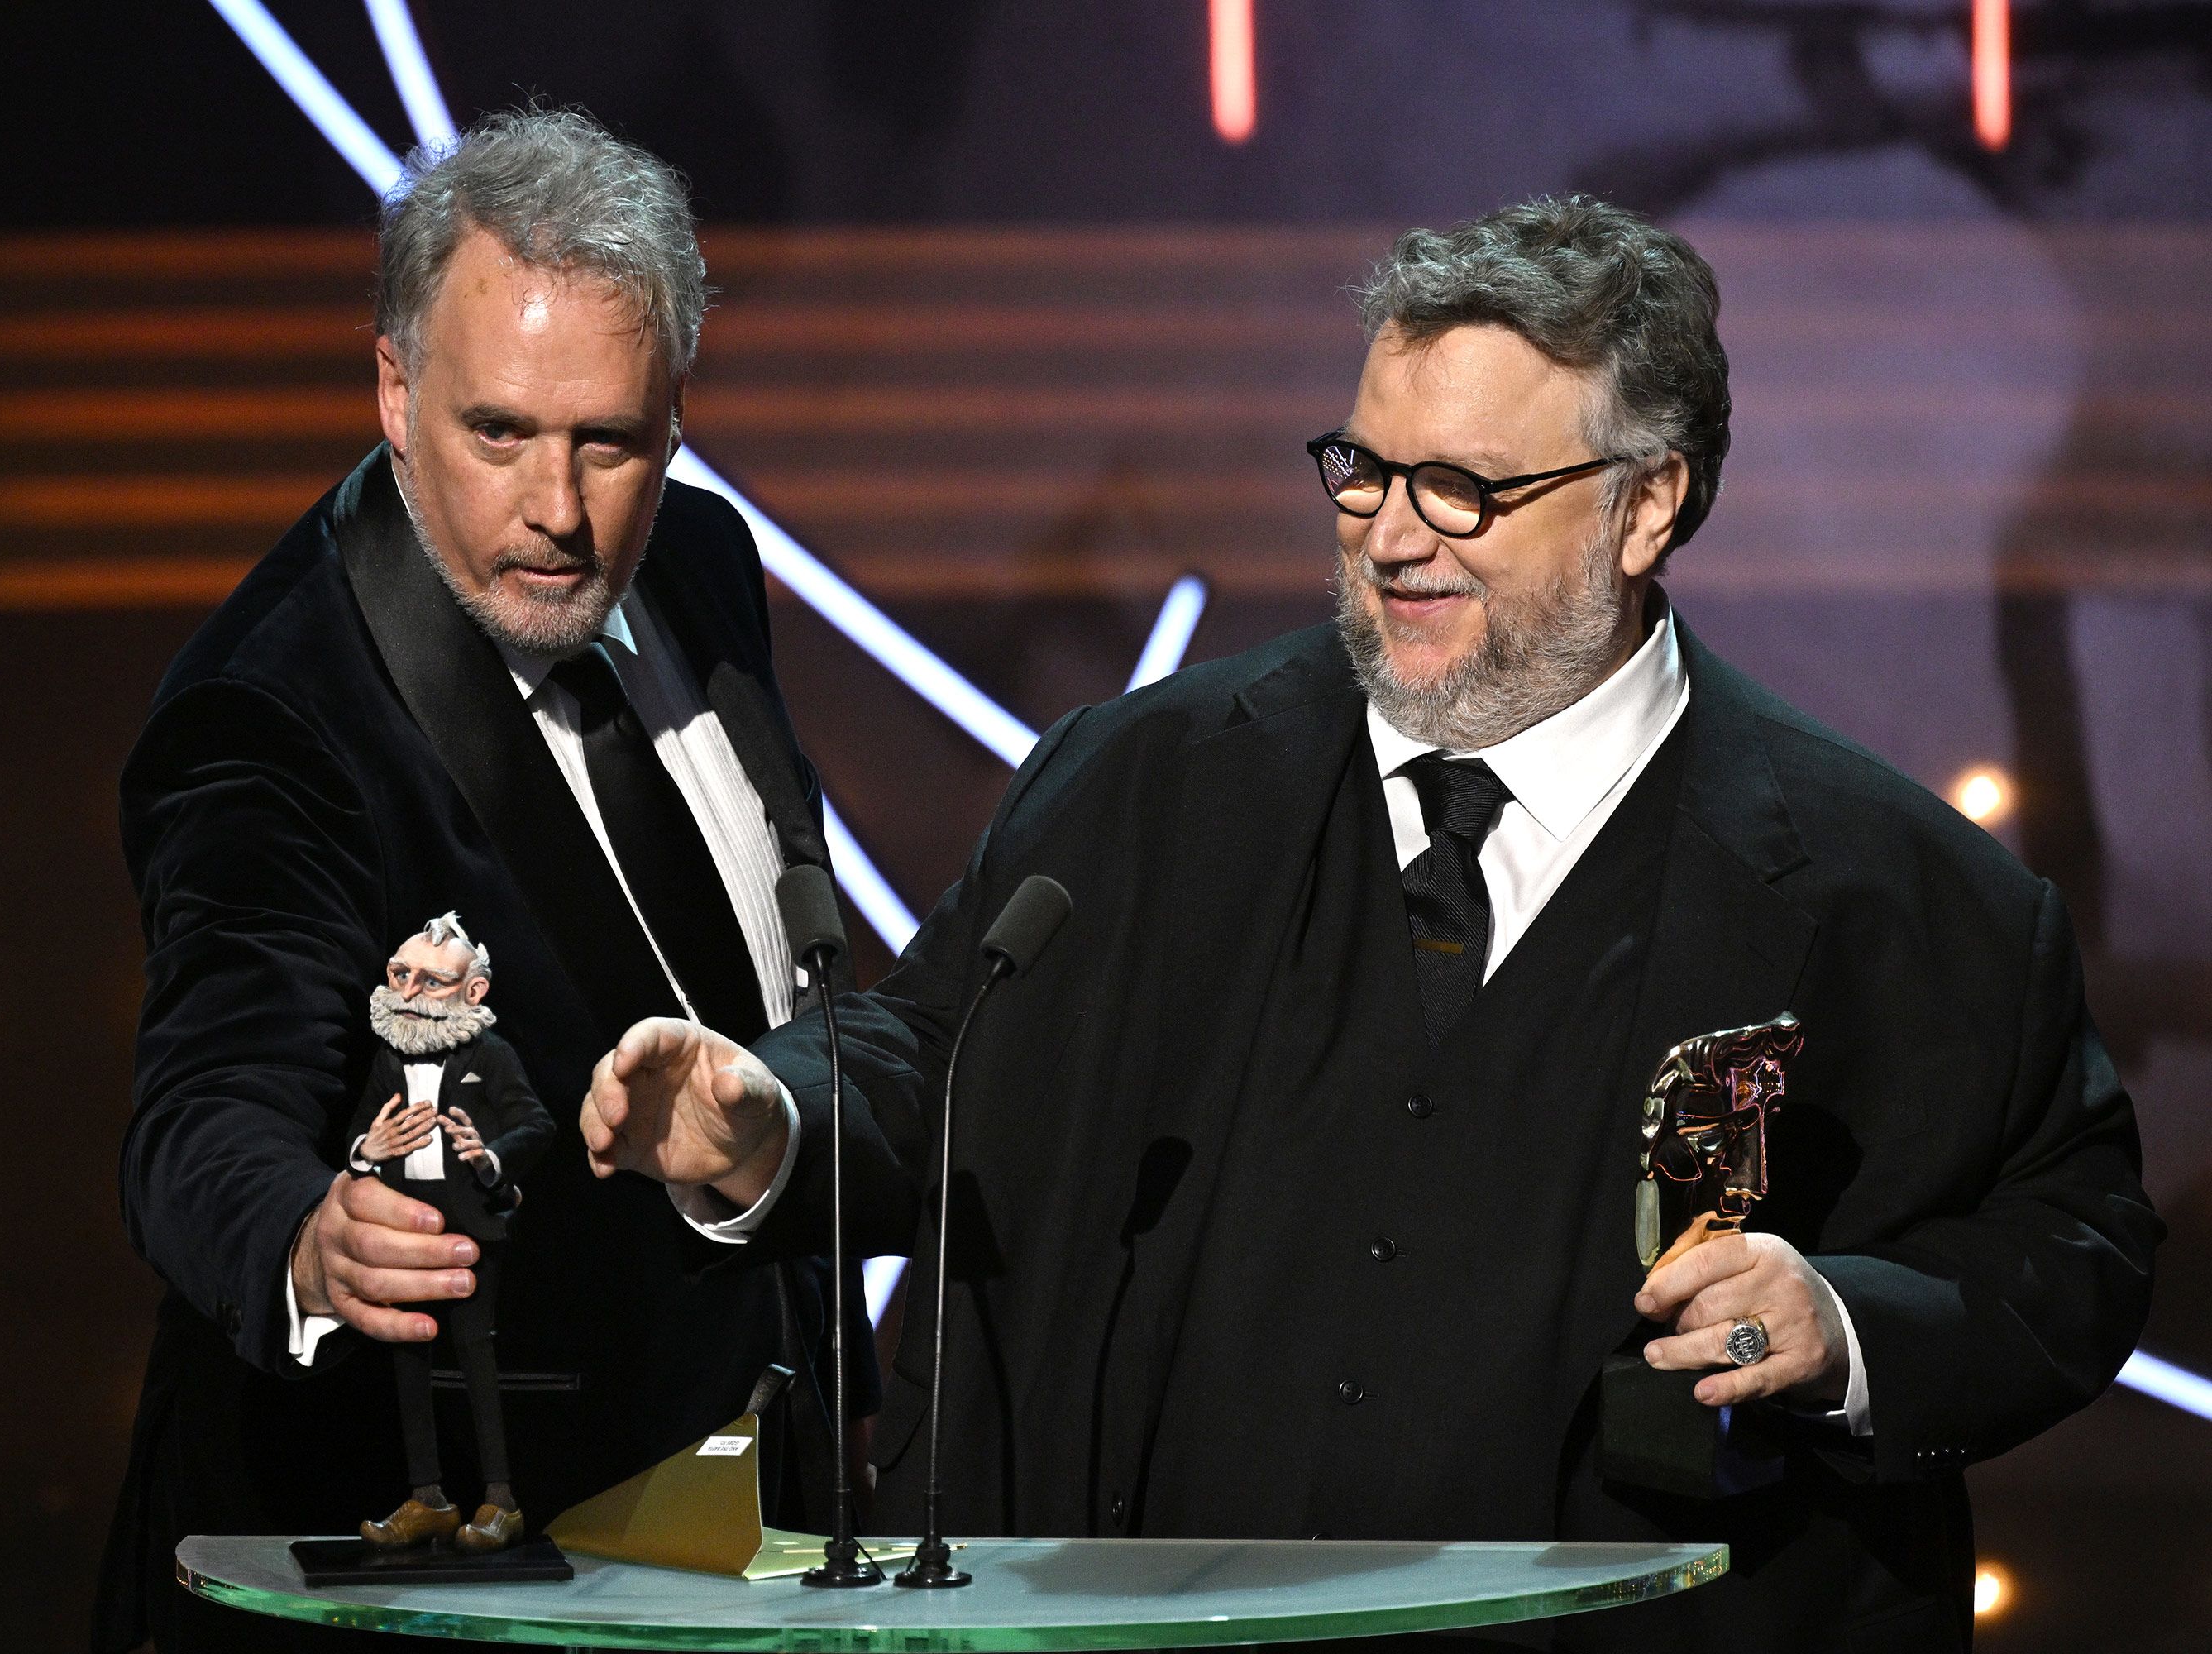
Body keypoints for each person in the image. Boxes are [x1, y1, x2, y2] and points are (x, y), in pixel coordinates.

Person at [580, 196, 2161, 1651]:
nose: (1394, 534)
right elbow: (939, 1052)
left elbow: (2070, 1251)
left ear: (1648, 504)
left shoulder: (1898, 890)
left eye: (1466, 487)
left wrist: (1841, 1322)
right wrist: (773, 1121)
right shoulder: (1143, 782)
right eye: (1366, 469)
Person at [95, 109, 869, 1652]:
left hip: (736, 1544)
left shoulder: (702, 562)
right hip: (424, 1586)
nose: (561, 512)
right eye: (499, 432)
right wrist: (305, 1240)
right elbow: (205, 1099)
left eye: (611, 441)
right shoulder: (275, 705)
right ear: (394, 390)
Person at [347, 914, 555, 1554]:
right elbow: (358, 1133)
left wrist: (489, 1157)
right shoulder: (388, 1058)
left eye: (431, 981)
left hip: (470, 1232)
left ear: (473, 992)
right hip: (402, 1239)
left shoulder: (488, 1055)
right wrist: (365, 1150)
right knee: (408, 1364)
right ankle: (428, 1496)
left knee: (476, 1362)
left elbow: (537, 1123)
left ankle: (501, 1499)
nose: (410, 991)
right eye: (400, 975)